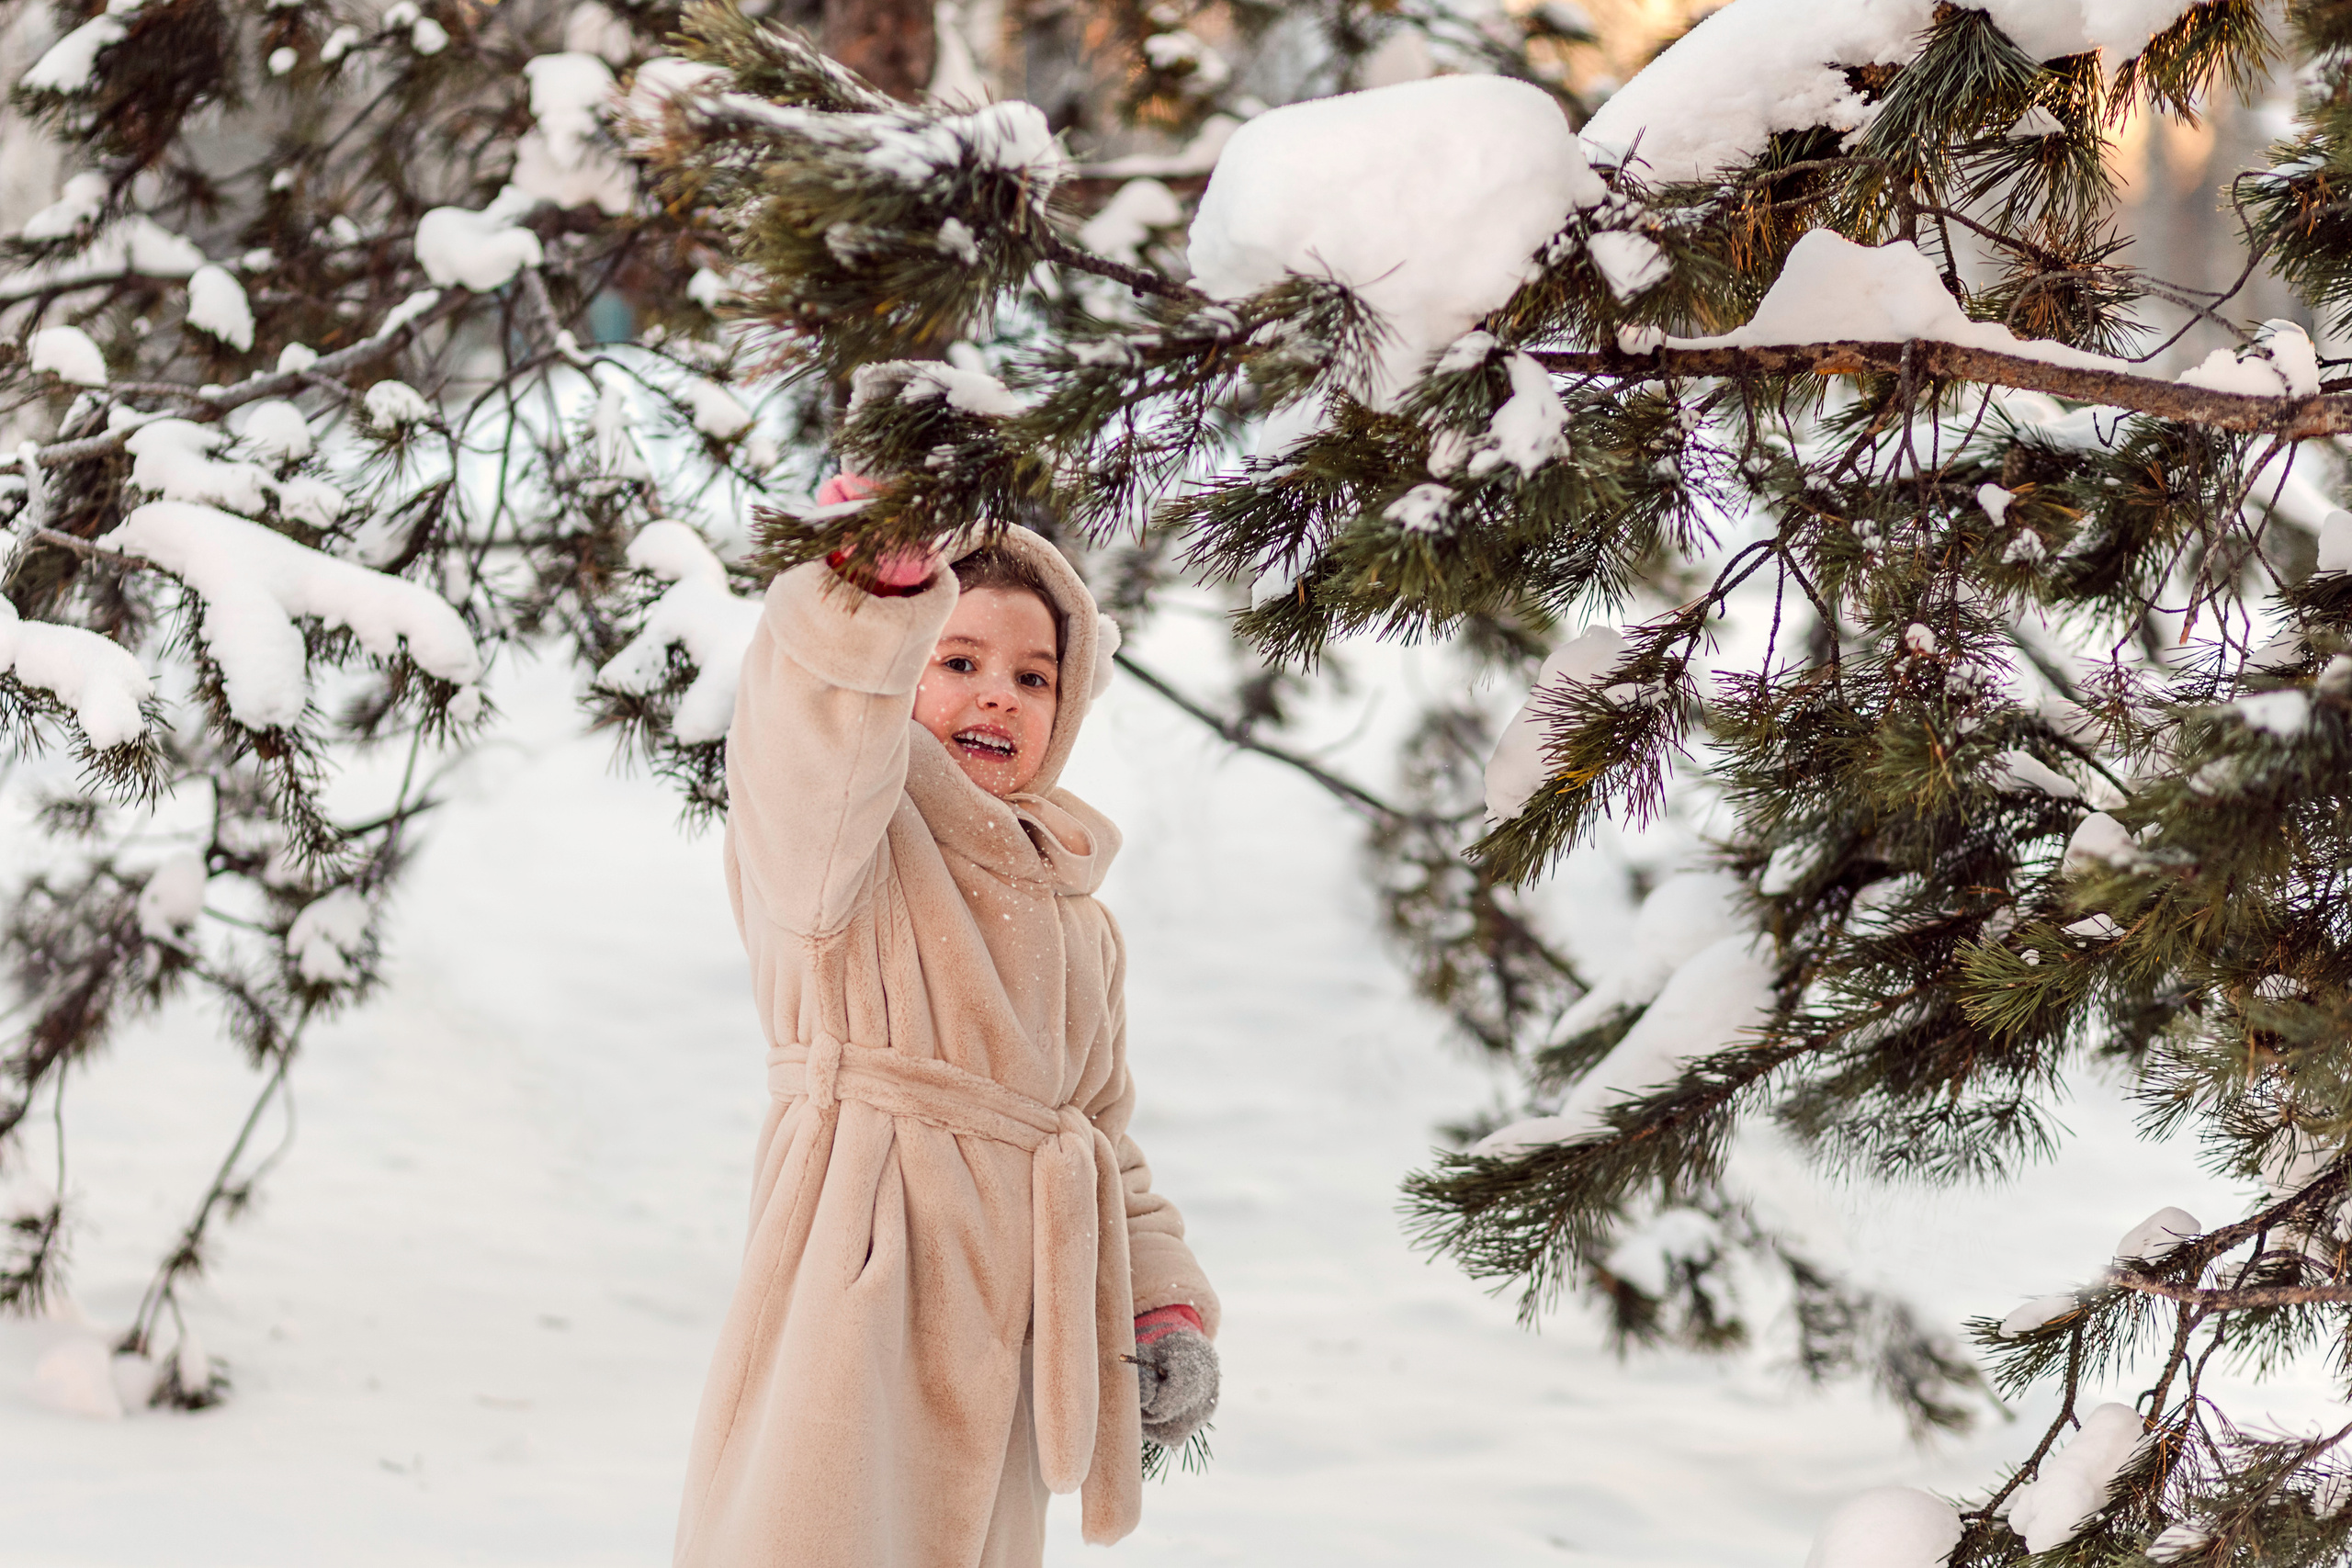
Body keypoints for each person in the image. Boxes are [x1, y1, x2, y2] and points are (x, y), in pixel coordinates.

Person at [673, 474, 1221, 1568]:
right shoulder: (844, 848)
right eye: (956, 661)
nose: (998, 697)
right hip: (861, 1276)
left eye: (1033, 676)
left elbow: (1102, 1136)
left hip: (1012, 1318)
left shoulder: (1077, 915)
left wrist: (1158, 1302)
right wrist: (870, 598)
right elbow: (807, 743)